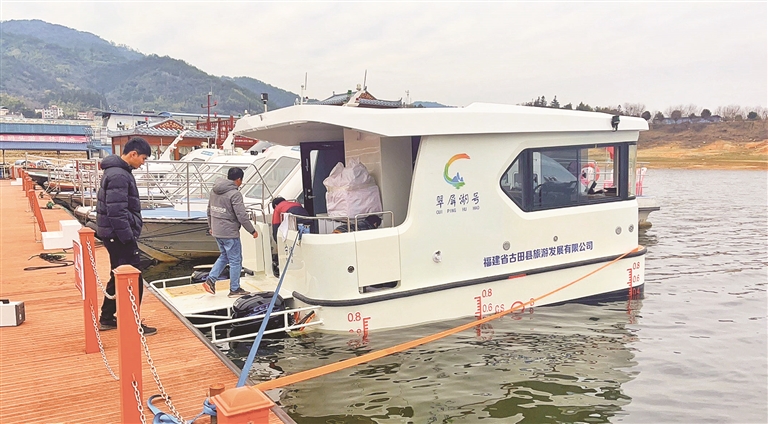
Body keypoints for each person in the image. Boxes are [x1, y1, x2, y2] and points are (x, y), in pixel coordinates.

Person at [97, 137, 157, 336]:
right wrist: (128, 237)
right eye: (143, 158)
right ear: (133, 154)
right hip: (119, 236)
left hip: (113, 235)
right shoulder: (119, 175)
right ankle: (132, 321)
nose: (143, 163)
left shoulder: (117, 171)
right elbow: (117, 211)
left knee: (117, 275)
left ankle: (107, 317)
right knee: (133, 277)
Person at [203, 167, 259, 298]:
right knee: (235, 260)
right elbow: (241, 215)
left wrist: (211, 226)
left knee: (224, 256)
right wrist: (252, 230)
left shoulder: (214, 190)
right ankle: (235, 289)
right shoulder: (235, 194)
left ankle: (211, 280)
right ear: (239, 179)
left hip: (217, 230)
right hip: (229, 232)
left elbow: (209, 210)